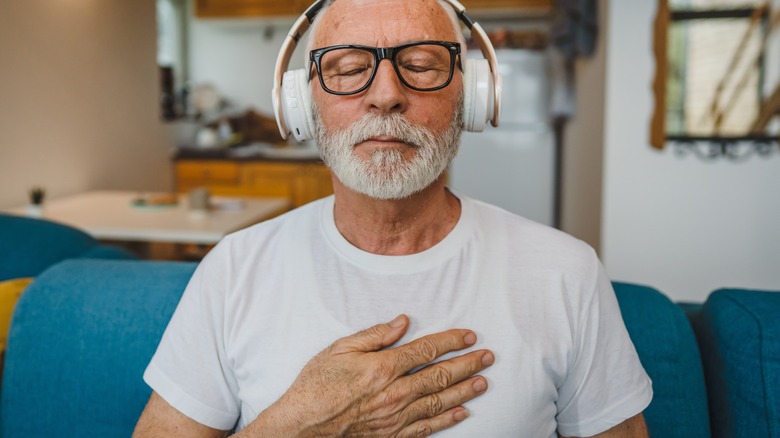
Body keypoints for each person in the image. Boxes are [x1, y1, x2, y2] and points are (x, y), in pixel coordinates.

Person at [134, 0, 653, 436]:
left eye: (423, 65)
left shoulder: (566, 272)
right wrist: (295, 425)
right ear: (302, 102)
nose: (385, 95)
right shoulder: (233, 270)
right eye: (350, 68)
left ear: (470, 96)